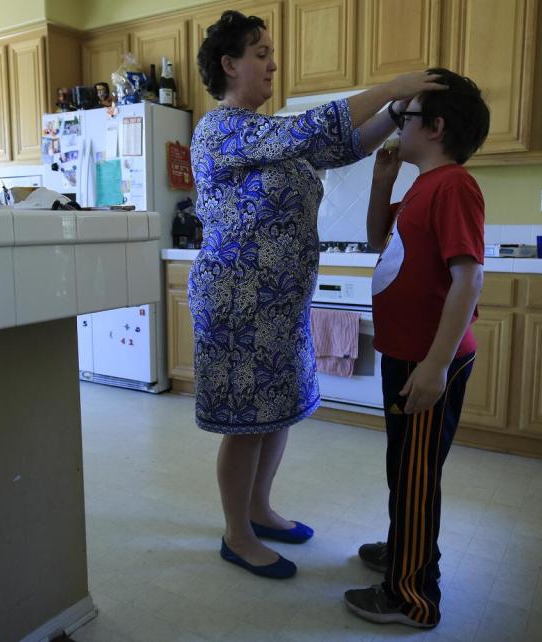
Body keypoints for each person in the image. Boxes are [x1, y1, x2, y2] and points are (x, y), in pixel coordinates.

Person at [190, 9, 445, 580]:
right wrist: (394, 87)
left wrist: (393, 114)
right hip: (237, 302)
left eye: (270, 52)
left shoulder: (272, 136)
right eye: (260, 53)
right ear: (230, 65)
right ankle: (237, 533)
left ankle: (259, 510)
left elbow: (341, 146)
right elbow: (312, 130)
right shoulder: (223, 128)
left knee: (276, 412)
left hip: (278, 302)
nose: (272, 63)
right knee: (246, 419)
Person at [343, 69, 490, 627]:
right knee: (404, 467)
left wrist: (434, 366)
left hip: (429, 361)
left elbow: (468, 279)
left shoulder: (454, 185)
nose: (392, 126)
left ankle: (412, 596)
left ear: (434, 127)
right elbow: (378, 240)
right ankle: (404, 547)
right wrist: (382, 183)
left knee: (416, 474)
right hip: (407, 355)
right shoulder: (422, 186)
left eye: (401, 117)